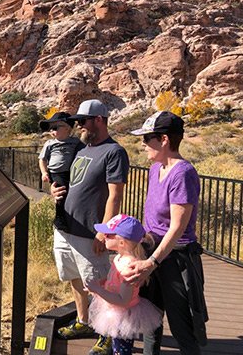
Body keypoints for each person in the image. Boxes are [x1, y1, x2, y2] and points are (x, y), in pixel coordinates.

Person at [51, 99, 130, 355]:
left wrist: (104, 230)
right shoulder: (83, 148)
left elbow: (114, 195)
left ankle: (107, 334)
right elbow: (72, 182)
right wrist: (54, 190)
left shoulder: (113, 152)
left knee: (99, 284)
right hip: (65, 228)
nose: (78, 126)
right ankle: (84, 321)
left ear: (98, 120)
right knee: (75, 277)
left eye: (82, 121)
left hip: (89, 232)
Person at [127, 111, 208, 355]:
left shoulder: (183, 173)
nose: (143, 145)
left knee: (182, 326)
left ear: (164, 140)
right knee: (150, 321)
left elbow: (177, 227)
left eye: (147, 138)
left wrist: (151, 262)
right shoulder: (155, 169)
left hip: (175, 258)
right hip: (152, 252)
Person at [85, 214, 162, 355]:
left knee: (121, 350)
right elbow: (114, 283)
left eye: (108, 234)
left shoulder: (128, 267)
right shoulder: (119, 258)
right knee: (117, 347)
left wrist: (98, 290)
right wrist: (102, 284)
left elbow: (123, 300)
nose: (104, 236)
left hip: (123, 316)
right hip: (114, 312)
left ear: (121, 242)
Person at [38, 111, 82, 231]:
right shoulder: (50, 144)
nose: (52, 131)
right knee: (61, 194)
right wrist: (44, 172)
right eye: (51, 128)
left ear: (68, 128)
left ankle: (70, 217)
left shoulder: (75, 142)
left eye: (55, 127)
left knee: (70, 194)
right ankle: (60, 218)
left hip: (70, 172)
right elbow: (42, 159)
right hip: (56, 172)